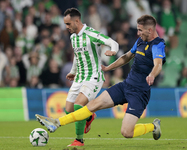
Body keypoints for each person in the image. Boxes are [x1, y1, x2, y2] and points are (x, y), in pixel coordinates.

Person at [36, 14, 166, 143]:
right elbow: (127, 56)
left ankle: (153, 126)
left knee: (126, 132)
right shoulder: (140, 41)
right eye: (137, 29)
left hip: (139, 93)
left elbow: (158, 64)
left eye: (140, 30)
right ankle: (56, 122)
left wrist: (152, 75)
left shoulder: (158, 45)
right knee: (92, 105)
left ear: (149, 30)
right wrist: (109, 67)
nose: (138, 33)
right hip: (126, 85)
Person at [37, 7, 119, 147]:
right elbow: (77, 55)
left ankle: (79, 141)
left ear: (76, 21)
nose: (66, 27)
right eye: (65, 24)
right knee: (69, 110)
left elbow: (113, 42)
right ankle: (89, 115)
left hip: (94, 76)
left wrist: (113, 51)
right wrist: (73, 70)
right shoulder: (73, 37)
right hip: (79, 77)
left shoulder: (91, 34)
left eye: (68, 24)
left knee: (78, 105)